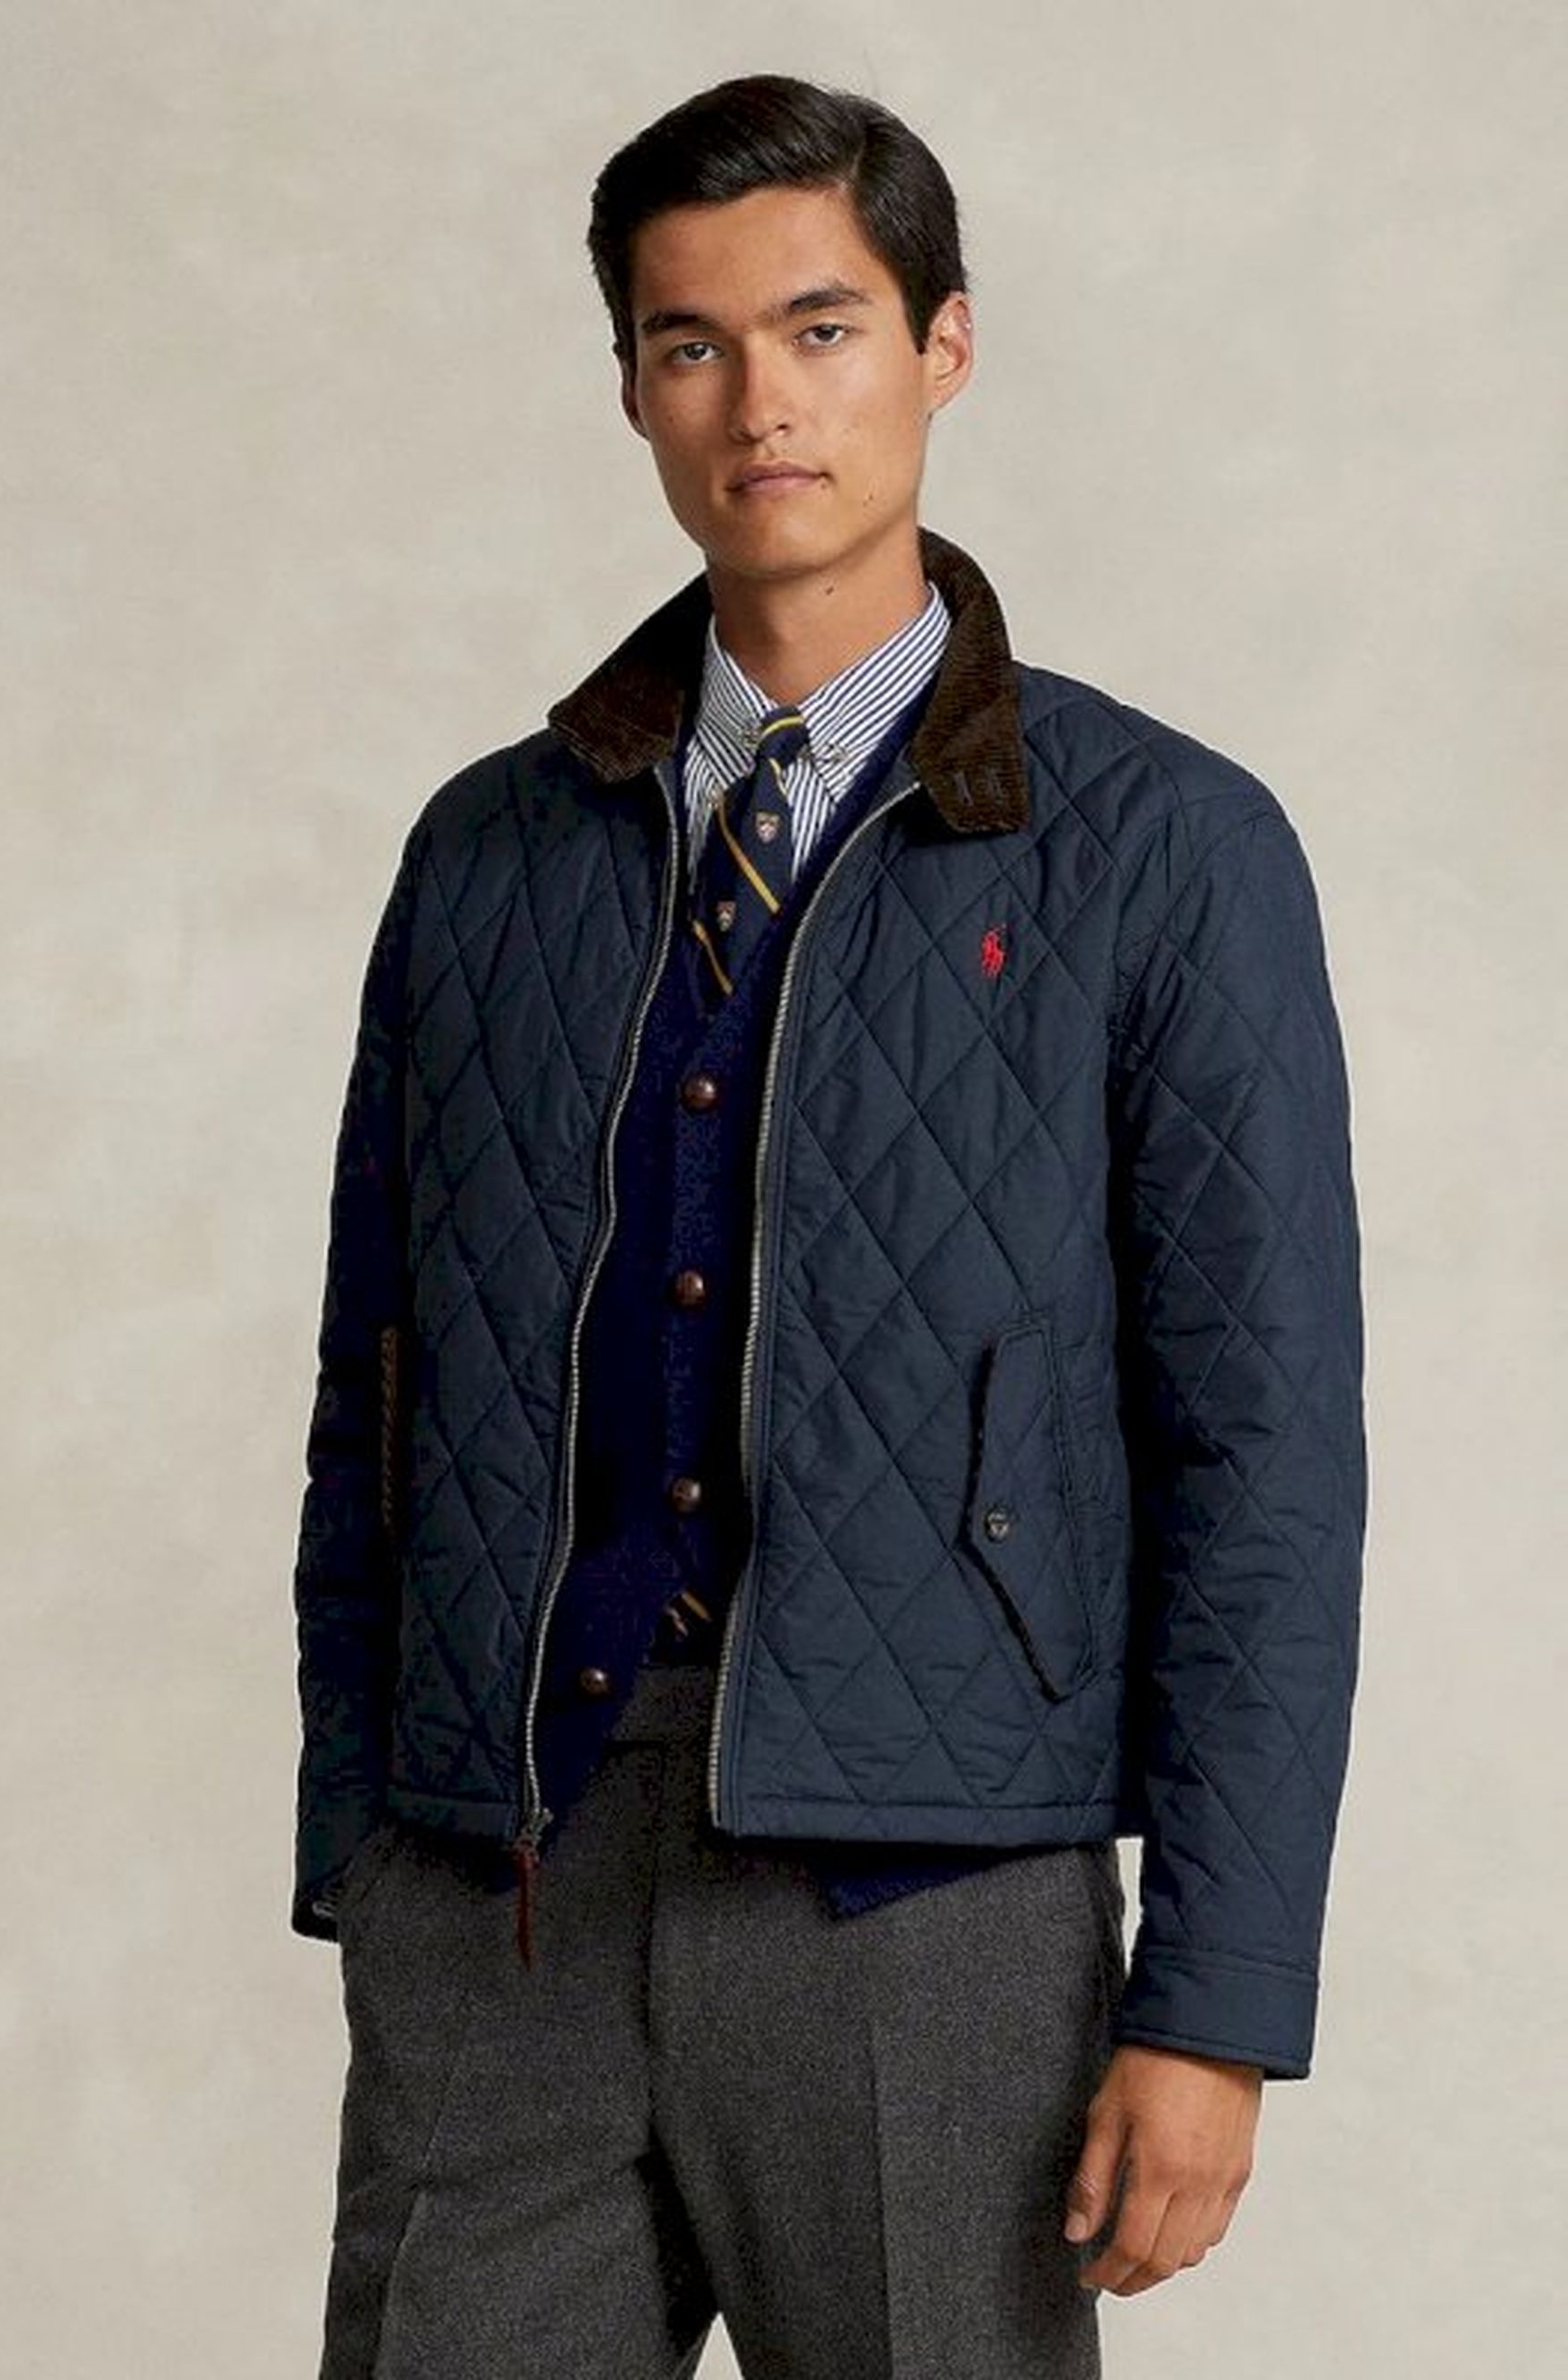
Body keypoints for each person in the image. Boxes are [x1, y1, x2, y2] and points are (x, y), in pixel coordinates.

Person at [292, 71, 1366, 2380]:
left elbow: (1262, 1461)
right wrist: (359, 1845)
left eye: (820, 327)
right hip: (502, 1886)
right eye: (690, 344)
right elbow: (372, 1395)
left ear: (941, 343)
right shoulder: (486, 855)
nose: (758, 403)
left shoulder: (1162, 851)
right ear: (629, 385)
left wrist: (1217, 1996)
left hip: (927, 1894)